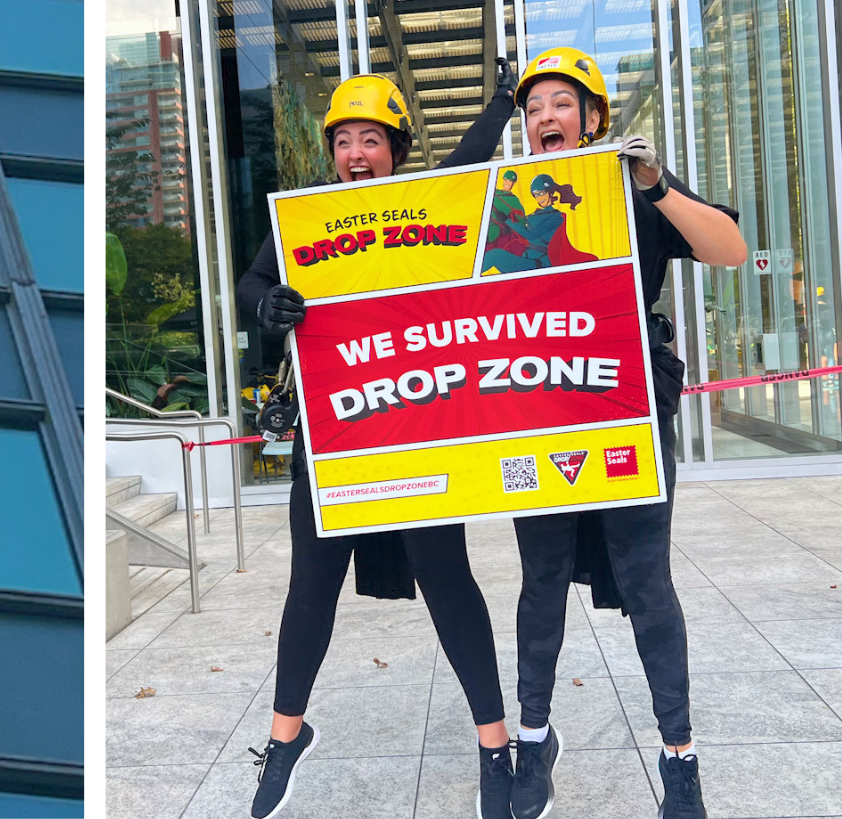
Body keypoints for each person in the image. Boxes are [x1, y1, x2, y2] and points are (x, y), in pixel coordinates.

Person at [238, 62, 524, 819]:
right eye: (344, 141)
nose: (357, 153)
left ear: (396, 148)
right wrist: (270, 303)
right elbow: (249, 283)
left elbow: (466, 173)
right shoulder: (304, 218)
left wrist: (500, 104)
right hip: (333, 438)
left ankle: (496, 749)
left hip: (418, 432)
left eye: (372, 139)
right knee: (311, 587)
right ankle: (285, 737)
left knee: (447, 576)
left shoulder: (420, 207)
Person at [504, 46, 745, 819]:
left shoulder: (637, 194)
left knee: (647, 584)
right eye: (534, 106)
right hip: (537, 421)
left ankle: (680, 756)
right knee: (541, 585)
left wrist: (654, 180)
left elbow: (730, 248)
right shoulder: (505, 206)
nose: (546, 116)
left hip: (627, 419)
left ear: (594, 119)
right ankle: (533, 738)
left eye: (562, 104)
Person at [483, 173, 595, 274]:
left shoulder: (556, 216)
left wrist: (507, 221)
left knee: (495, 255)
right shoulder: (535, 215)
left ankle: (469, 280)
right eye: (536, 195)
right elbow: (523, 229)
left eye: (541, 193)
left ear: (551, 192)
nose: (539, 198)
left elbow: (532, 235)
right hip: (526, 259)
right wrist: (512, 220)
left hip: (539, 265)